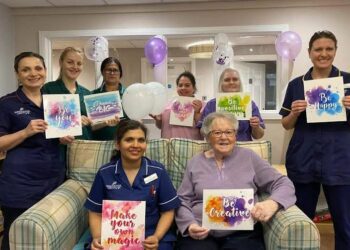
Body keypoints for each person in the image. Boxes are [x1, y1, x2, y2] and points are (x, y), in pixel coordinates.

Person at [175, 112, 295, 250]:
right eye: (217, 132)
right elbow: (182, 199)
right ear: (207, 137)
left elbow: (283, 183)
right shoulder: (195, 162)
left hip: (242, 233)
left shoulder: (249, 157)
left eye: (229, 132)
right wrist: (190, 225)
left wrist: (273, 203)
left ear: (235, 135)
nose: (224, 137)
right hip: (201, 231)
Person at [280, 30, 350, 250]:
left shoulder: (347, 81)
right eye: (318, 49)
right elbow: (286, 124)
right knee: (301, 222)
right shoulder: (296, 84)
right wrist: (294, 113)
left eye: (329, 49)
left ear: (335, 51)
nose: (323, 54)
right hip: (303, 159)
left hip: (340, 161)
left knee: (345, 224)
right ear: (309, 53)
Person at [0, 52, 65, 250]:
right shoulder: (7, 103)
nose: (33, 73)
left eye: (38, 68)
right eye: (25, 69)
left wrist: (63, 137)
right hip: (20, 185)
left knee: (47, 237)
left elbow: (58, 135)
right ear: (17, 74)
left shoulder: (56, 101)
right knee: (16, 237)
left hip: (53, 180)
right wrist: (25, 132)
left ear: (45, 71)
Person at [84, 119, 181, 250]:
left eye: (141, 140)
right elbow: (95, 212)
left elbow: (168, 211)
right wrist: (98, 238)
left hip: (149, 238)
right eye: (129, 140)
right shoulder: (105, 173)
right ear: (118, 144)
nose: (136, 145)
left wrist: (156, 237)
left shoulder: (158, 171)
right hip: (114, 239)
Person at [198, 68, 265, 141]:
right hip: (218, 147)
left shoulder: (249, 104)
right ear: (221, 83)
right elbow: (202, 132)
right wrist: (210, 128)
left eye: (235, 79)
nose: (231, 82)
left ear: (240, 83)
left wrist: (256, 127)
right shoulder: (211, 105)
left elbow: (258, 136)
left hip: (243, 147)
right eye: (227, 80)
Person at [42, 47, 91, 140]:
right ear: (61, 62)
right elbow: (46, 122)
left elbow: (92, 125)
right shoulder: (48, 89)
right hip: (58, 148)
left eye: (79, 63)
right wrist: (76, 120)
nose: (75, 67)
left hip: (83, 147)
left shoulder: (87, 94)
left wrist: (106, 121)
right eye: (70, 62)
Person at [151, 71, 203, 139]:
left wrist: (197, 114)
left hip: (191, 147)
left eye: (187, 85)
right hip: (168, 146)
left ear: (194, 88)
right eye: (180, 85)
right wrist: (158, 120)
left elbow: (205, 130)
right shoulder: (168, 105)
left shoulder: (201, 106)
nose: (183, 88)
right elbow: (161, 126)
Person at [91, 57, 128, 140]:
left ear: (120, 74)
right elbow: (90, 126)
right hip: (98, 143)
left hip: (124, 143)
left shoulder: (128, 94)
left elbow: (135, 121)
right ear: (103, 72)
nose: (112, 73)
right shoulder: (93, 95)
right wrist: (104, 123)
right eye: (108, 70)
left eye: (115, 70)